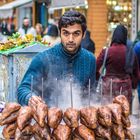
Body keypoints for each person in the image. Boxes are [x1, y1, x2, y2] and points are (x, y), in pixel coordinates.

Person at [17, 10, 96, 107]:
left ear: (83, 34)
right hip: (47, 118)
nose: (70, 39)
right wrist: (29, 97)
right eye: (66, 33)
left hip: (79, 119)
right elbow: (23, 89)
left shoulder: (90, 59)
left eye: (76, 33)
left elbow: (91, 94)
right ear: (60, 33)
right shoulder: (42, 59)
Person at [96, 24, 139, 104]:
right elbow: (136, 73)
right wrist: (133, 85)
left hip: (109, 87)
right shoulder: (130, 51)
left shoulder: (107, 51)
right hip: (126, 87)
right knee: (123, 113)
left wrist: (100, 78)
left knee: (108, 112)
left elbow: (95, 67)